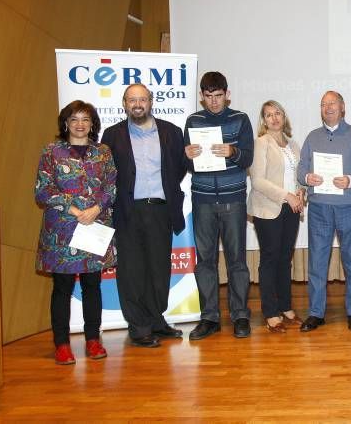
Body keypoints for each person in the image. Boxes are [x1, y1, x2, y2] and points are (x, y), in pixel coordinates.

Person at [103, 84, 187, 348]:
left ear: (151, 101)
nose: (137, 104)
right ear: (124, 104)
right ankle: (138, 326)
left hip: (161, 209)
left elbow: (179, 168)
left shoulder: (171, 132)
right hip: (128, 211)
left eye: (142, 99)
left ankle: (156, 319)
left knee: (158, 267)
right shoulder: (112, 134)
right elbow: (106, 173)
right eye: (132, 100)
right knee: (131, 270)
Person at [35, 101, 116, 364]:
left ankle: (93, 339)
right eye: (74, 119)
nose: (80, 124)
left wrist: (95, 208)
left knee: (92, 285)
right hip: (63, 230)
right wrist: (73, 210)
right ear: (65, 123)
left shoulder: (103, 152)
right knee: (62, 286)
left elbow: (111, 186)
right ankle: (61, 344)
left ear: (93, 124)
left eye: (85, 119)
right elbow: (43, 190)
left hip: (94, 225)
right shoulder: (52, 151)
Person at [184, 72, 255, 340]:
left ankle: (240, 315)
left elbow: (248, 158)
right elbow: (188, 164)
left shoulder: (240, 119)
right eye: (209, 96)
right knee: (205, 262)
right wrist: (187, 156)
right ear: (202, 97)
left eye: (218, 96)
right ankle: (209, 317)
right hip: (202, 200)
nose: (214, 102)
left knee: (237, 260)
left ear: (227, 94)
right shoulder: (194, 120)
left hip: (233, 199)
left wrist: (233, 152)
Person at [297, 91, 351, 332]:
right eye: (324, 104)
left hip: (349, 207)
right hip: (320, 207)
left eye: (333, 103)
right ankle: (316, 313)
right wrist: (307, 177)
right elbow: (301, 170)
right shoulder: (312, 137)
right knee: (317, 263)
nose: (328, 107)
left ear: (343, 107)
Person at [247, 100, 305, 333]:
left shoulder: (293, 145)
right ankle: (270, 312)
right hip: (268, 209)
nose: (274, 118)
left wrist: (301, 192)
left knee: (285, 258)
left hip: (291, 208)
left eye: (277, 113)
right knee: (270, 260)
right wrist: (287, 196)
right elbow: (258, 180)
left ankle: (286, 307)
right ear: (263, 120)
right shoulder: (260, 143)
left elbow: (300, 175)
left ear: (284, 116)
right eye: (268, 115)